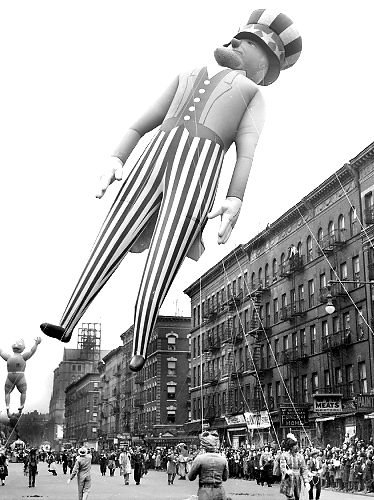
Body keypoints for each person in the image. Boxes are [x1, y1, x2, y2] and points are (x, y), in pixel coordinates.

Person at [40, 8, 302, 374]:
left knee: (163, 257)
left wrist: (234, 197)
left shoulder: (252, 94)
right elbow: (142, 122)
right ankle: (68, 317)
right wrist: (117, 158)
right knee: (110, 236)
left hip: (199, 172)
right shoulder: (186, 75)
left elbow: (246, 152)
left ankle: (142, 342)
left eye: (251, 41)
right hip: (152, 160)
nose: (236, 41)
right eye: (240, 35)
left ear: (265, 62)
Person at [0, 337, 41, 416]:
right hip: (19, 376)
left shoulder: (11, 357)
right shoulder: (21, 357)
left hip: (12, 376)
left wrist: (36, 344)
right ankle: (17, 408)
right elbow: (31, 351)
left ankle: (11, 408)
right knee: (22, 392)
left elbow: (1, 352)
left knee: (9, 392)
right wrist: (36, 344)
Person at [188, 430, 229, 500]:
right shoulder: (223, 459)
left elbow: (191, 477)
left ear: (204, 446)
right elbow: (225, 478)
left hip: (205, 492)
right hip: (220, 491)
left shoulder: (199, 459)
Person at [279, 433, 310, 500]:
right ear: (291, 447)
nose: (297, 447)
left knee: (297, 497)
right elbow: (282, 467)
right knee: (290, 497)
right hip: (288, 479)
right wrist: (286, 471)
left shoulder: (300, 456)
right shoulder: (284, 455)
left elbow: (304, 469)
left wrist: (306, 481)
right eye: (295, 445)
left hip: (298, 479)